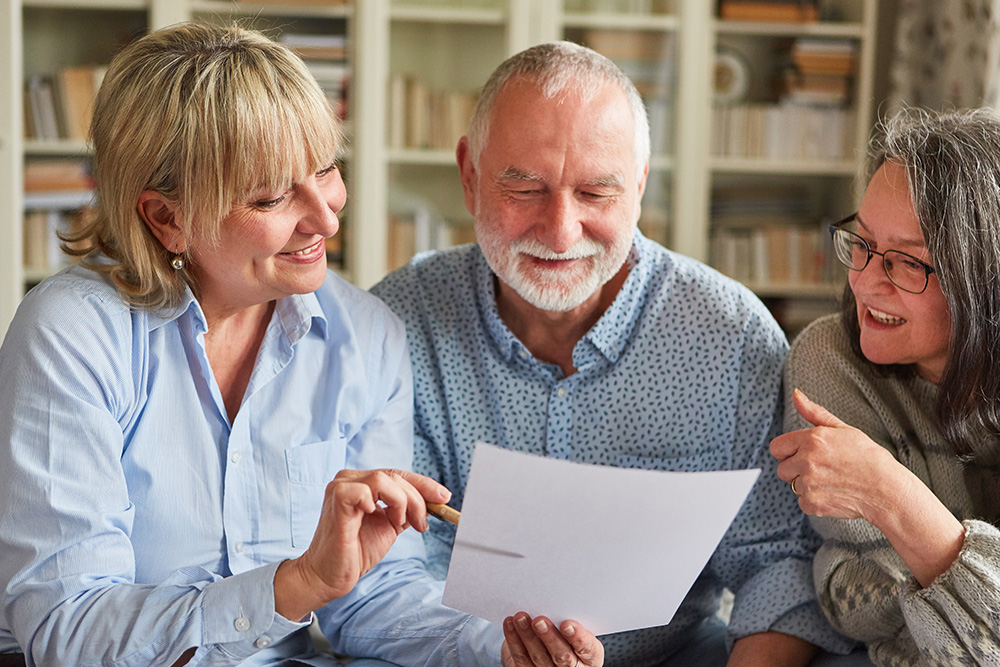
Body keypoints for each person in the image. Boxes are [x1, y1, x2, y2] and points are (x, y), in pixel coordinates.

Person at [0, 23, 603, 667]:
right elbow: (67, 631)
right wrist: (297, 584)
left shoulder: (364, 334)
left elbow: (375, 598)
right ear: (167, 219)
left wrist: (506, 652)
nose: (325, 216)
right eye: (271, 195)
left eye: (326, 169)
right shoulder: (73, 333)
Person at [371, 41, 854, 667]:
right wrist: (493, 652)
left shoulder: (730, 338)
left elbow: (776, 568)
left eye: (597, 194)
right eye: (525, 188)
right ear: (469, 174)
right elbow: (381, 579)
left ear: (640, 185)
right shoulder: (398, 324)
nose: (561, 231)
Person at [771, 107, 1000, 666]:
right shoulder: (830, 363)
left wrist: (887, 491)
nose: (867, 282)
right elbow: (855, 605)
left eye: (908, 263)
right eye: (864, 242)